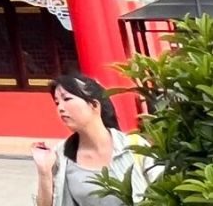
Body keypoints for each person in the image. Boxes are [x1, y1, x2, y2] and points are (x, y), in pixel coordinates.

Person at [30, 72, 152, 206]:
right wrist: (44, 171)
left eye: (67, 99)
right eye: (57, 103)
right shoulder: (60, 155)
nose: (60, 108)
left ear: (94, 105)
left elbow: (164, 194)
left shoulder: (135, 147)